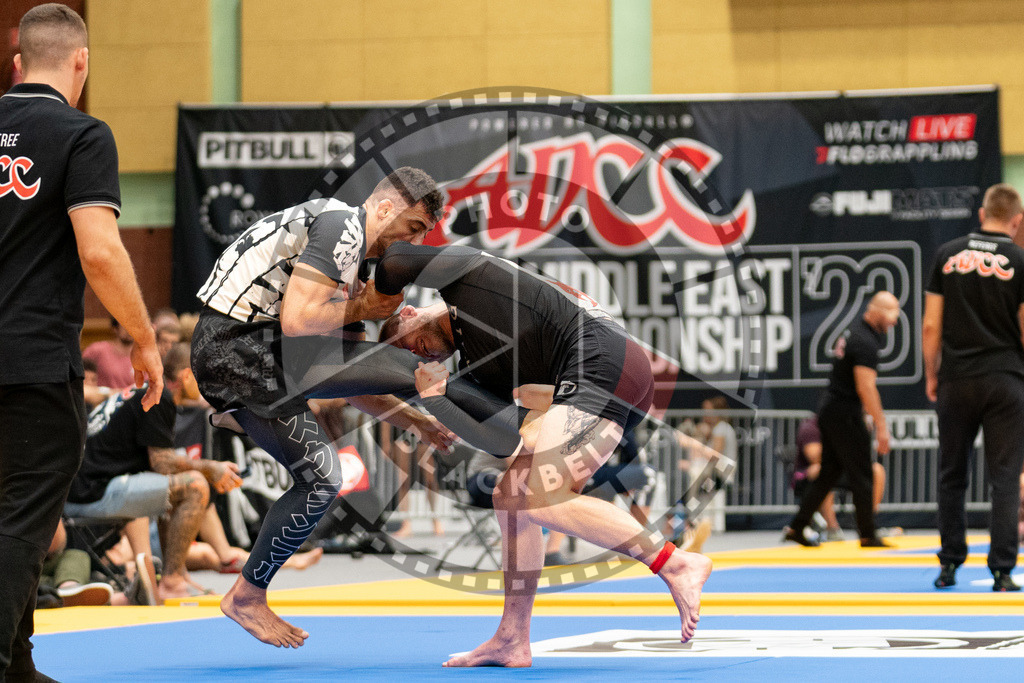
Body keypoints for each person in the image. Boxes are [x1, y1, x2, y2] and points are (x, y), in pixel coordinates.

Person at [191, 167, 538, 648]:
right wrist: (367, 309)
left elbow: (350, 378)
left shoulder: (354, 265)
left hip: (252, 361)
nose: (409, 242)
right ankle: (528, 428)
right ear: (382, 208)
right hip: (238, 348)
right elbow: (296, 321)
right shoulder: (342, 227)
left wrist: (415, 420)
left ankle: (247, 595)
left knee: (322, 481)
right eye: (412, 228)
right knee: (411, 369)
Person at [375, 243, 713, 667]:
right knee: (511, 497)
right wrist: (436, 401)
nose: (423, 355)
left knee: (541, 496)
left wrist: (379, 298)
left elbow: (395, 260)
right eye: (416, 359)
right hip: (603, 377)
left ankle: (675, 561)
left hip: (602, 360)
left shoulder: (466, 284)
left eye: (413, 345)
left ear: (410, 314)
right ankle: (512, 639)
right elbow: (508, 441)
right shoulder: (482, 369)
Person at [0, 5, 163, 680]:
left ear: (15, 65)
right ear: (81, 63)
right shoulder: (80, 134)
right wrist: (145, 340)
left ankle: (19, 663)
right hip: (32, 358)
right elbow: (99, 253)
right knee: (22, 519)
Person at [65, 344, 241, 602]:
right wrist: (211, 467)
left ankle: (176, 576)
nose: (208, 388)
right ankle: (171, 581)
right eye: (204, 379)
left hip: (84, 488)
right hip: (93, 493)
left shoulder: (143, 391)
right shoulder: (160, 397)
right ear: (186, 377)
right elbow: (163, 464)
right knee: (195, 485)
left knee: (173, 490)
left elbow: (159, 470)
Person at [924, 183, 1024, 592]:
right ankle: (1002, 571)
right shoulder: (1019, 259)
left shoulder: (947, 254)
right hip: (1005, 378)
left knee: (952, 474)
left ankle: (949, 565)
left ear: (982, 214)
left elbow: (931, 324)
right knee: (1004, 477)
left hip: (957, 378)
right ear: (1016, 222)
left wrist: (932, 373)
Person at [783, 291, 900, 548]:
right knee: (862, 473)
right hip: (844, 413)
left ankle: (797, 526)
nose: (895, 320)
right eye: (892, 314)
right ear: (877, 311)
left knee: (829, 474)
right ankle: (868, 534)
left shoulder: (854, 333)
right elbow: (865, 387)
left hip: (832, 410)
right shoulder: (865, 341)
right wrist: (881, 426)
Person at [792, 415, 887, 542]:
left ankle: (868, 523)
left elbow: (858, 457)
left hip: (841, 469)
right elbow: (815, 456)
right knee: (822, 470)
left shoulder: (850, 427)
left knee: (876, 470)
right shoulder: (811, 427)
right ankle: (832, 528)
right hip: (809, 476)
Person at [82, 317, 136, 390]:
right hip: (101, 399)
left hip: (130, 399)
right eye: (125, 325)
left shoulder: (144, 358)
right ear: (115, 328)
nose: (129, 330)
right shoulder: (97, 350)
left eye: (134, 326)